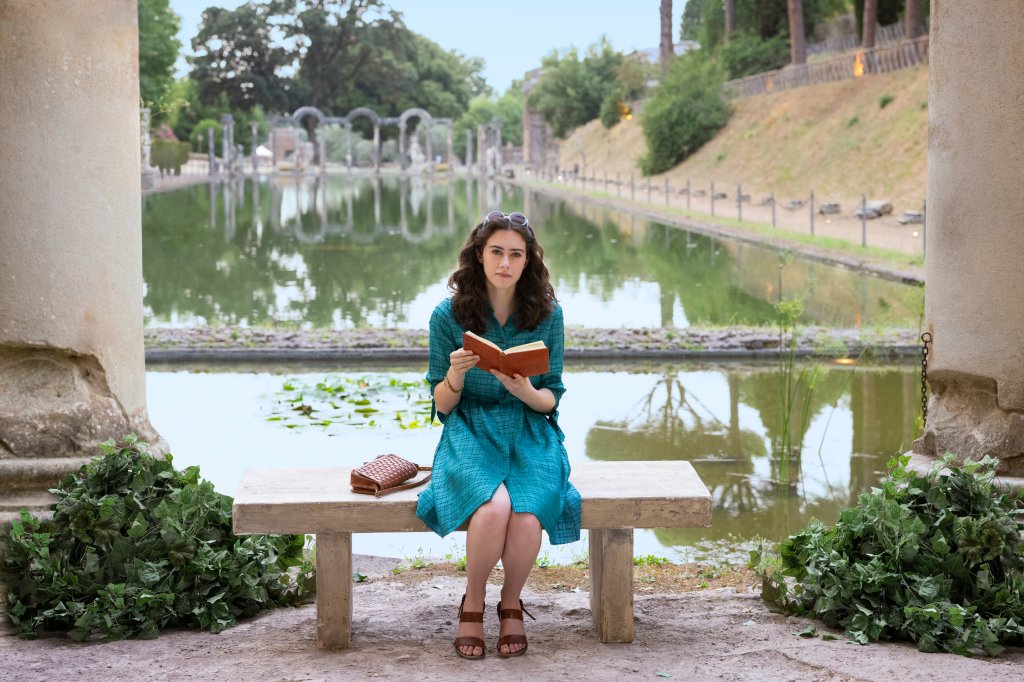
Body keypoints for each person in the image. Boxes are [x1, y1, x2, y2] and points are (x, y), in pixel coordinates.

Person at [416, 210, 581, 660]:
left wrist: (527, 390)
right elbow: (442, 405)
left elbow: (553, 398)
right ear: (479, 255)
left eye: (515, 254)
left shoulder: (549, 314)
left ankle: (510, 601)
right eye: (496, 252)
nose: (505, 263)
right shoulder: (447, 315)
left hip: (530, 429)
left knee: (527, 514)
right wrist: (453, 375)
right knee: (494, 507)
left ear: (528, 262)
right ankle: (473, 601)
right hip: (471, 428)